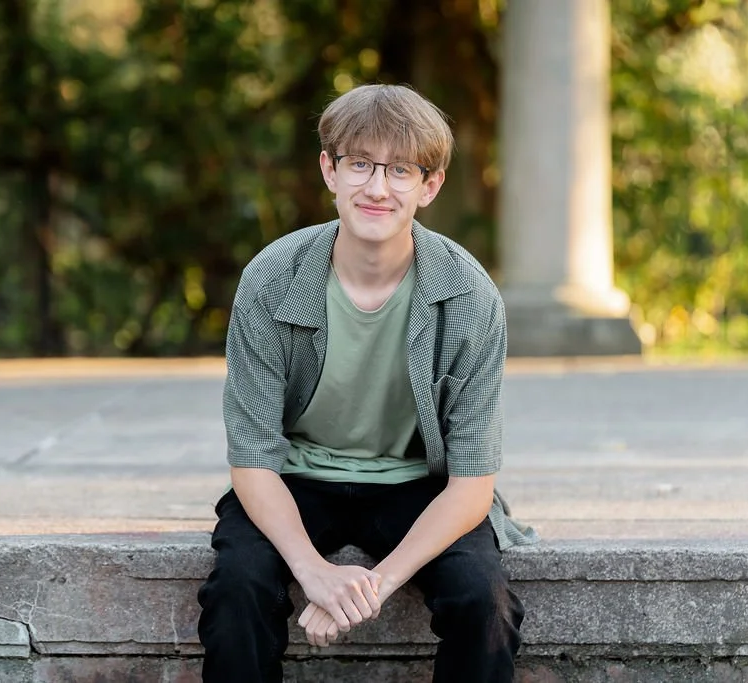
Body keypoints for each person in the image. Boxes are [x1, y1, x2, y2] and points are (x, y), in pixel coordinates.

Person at [197, 83, 537, 683]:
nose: (377, 188)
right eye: (359, 164)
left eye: (400, 170)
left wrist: (369, 588)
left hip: (417, 484)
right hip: (295, 477)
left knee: (485, 603)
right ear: (328, 170)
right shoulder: (273, 279)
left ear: (429, 186)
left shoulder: (467, 294)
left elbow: (472, 483)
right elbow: (251, 460)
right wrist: (313, 572)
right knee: (236, 591)